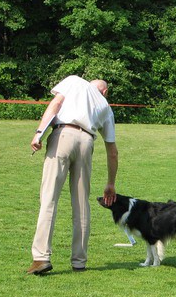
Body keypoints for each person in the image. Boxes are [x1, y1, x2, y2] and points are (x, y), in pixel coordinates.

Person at [27, 76, 119, 275]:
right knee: (81, 204)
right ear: (105, 92)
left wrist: (39, 133)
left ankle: (41, 257)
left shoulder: (75, 81)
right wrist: (110, 183)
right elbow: (112, 150)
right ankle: (79, 261)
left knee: (49, 198)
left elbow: (56, 103)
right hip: (87, 142)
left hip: (63, 135)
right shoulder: (105, 105)